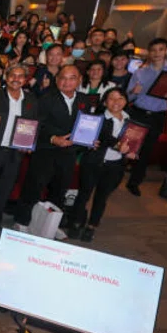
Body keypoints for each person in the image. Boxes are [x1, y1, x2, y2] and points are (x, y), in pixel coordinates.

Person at [13, 65, 86, 229]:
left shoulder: (83, 100)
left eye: (72, 78)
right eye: (63, 78)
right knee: (34, 187)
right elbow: (37, 124)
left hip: (69, 153)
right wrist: (53, 138)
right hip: (46, 151)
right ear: (57, 80)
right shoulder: (46, 98)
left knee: (60, 190)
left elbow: (87, 124)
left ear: (79, 80)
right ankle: (22, 221)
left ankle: (50, 225)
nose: (66, 82)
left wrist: (90, 138)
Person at [0, 64, 38, 237]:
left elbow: (35, 125)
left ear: (25, 80)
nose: (16, 79)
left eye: (20, 76)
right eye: (12, 75)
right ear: (6, 76)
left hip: (15, 153)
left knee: (5, 190)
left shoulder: (31, 100)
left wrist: (29, 143)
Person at [67, 88, 134, 243]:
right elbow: (103, 135)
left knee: (102, 198)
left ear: (125, 101)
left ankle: (92, 226)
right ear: (104, 102)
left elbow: (137, 141)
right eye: (111, 98)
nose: (116, 102)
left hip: (115, 165)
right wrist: (117, 145)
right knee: (84, 194)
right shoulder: (95, 119)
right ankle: (76, 223)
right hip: (93, 163)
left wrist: (133, 151)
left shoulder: (130, 121)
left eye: (120, 98)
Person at [124, 37, 167, 197]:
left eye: (161, 49)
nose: (157, 53)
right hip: (139, 112)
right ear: (149, 52)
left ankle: (135, 182)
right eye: (153, 50)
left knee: (146, 150)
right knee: (128, 147)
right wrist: (133, 93)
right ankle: (116, 177)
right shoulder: (140, 72)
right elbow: (128, 97)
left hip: (158, 115)